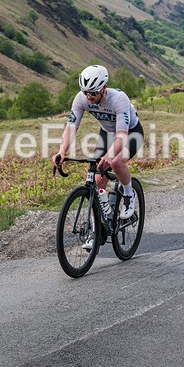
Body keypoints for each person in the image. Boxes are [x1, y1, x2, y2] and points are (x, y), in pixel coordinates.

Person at [53, 65, 144, 246]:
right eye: (85, 92)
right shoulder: (81, 99)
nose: (89, 97)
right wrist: (62, 151)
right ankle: (96, 231)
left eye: (93, 93)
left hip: (131, 133)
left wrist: (109, 156)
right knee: (97, 180)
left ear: (104, 88)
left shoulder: (119, 99)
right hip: (107, 133)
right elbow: (71, 127)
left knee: (116, 162)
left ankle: (129, 196)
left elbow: (122, 136)